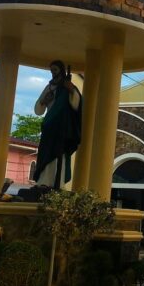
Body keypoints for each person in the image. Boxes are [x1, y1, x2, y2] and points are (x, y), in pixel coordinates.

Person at [32, 60, 82, 189]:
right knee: (46, 151)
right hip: (50, 123)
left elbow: (76, 103)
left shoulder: (67, 85)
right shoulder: (49, 87)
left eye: (55, 70)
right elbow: (39, 109)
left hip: (62, 125)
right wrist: (44, 100)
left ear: (61, 70)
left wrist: (71, 91)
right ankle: (44, 180)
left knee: (60, 153)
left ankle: (57, 182)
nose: (53, 73)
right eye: (51, 70)